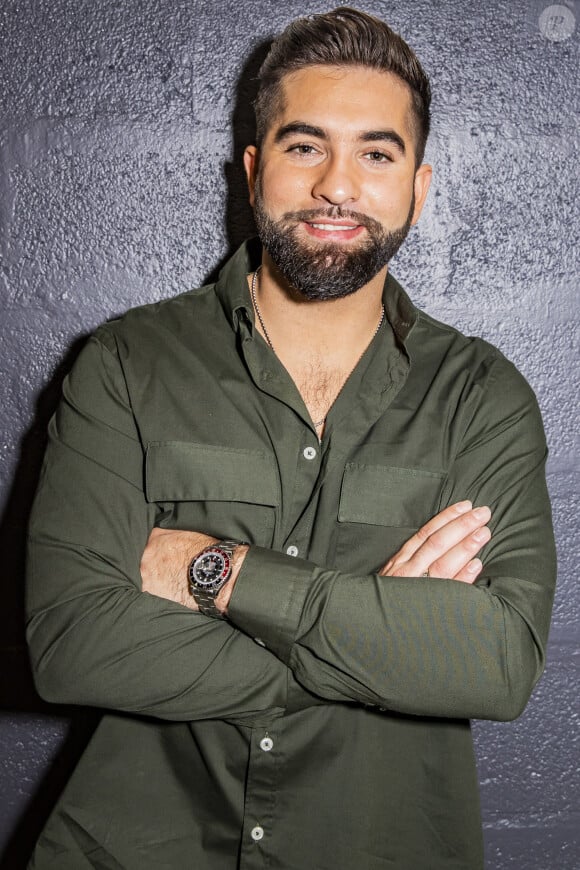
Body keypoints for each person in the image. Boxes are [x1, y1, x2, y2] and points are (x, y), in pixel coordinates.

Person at [26, 7, 556, 869]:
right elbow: (73, 644)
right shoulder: (129, 362)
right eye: (306, 146)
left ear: (418, 187)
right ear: (253, 168)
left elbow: (494, 663)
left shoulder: (481, 396)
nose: (338, 186)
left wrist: (218, 571)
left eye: (376, 154)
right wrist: (376, 634)